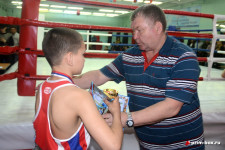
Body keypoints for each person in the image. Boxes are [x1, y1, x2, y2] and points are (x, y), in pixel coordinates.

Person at [73, 4, 205, 150]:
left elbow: (171, 107)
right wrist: (64, 80)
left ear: (158, 28)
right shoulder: (130, 56)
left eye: (139, 30)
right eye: (133, 31)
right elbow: (99, 75)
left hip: (184, 146)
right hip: (147, 144)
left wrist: (126, 119)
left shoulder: (184, 57)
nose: (135, 36)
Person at [33, 27, 123, 150]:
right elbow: (113, 146)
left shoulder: (42, 88)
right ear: (69, 58)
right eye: (82, 54)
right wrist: (116, 113)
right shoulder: (79, 96)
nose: (84, 59)